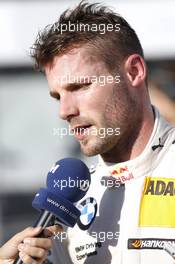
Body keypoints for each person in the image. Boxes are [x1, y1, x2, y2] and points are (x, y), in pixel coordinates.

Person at [31, 1, 175, 263]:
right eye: (57, 96)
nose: (64, 111)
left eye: (80, 86)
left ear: (133, 72)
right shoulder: (71, 198)